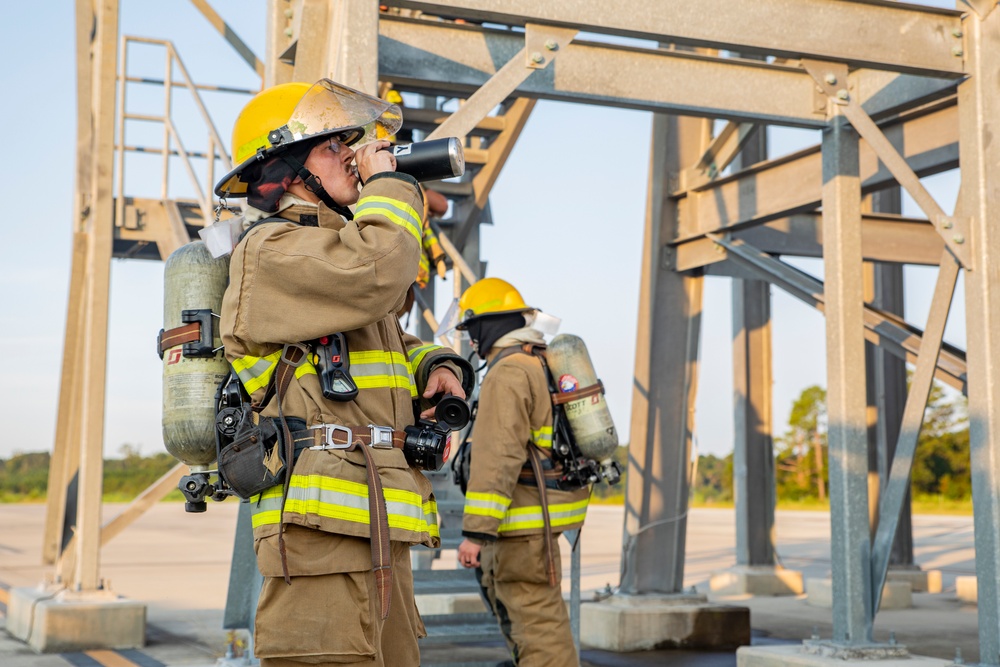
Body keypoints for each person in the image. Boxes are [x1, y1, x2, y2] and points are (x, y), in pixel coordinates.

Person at [215, 79, 472, 667]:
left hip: (379, 531)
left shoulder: (332, 259)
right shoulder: (270, 252)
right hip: (319, 542)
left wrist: (434, 365)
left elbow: (377, 340)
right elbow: (380, 269)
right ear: (288, 168)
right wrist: (390, 182)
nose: (355, 157)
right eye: (335, 147)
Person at [454, 278, 591, 667]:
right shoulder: (537, 361)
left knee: (538, 632)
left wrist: (475, 534)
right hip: (538, 522)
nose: (472, 341)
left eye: (473, 330)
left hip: (520, 529)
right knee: (540, 623)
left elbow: (498, 456)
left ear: (488, 324)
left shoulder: (508, 372)